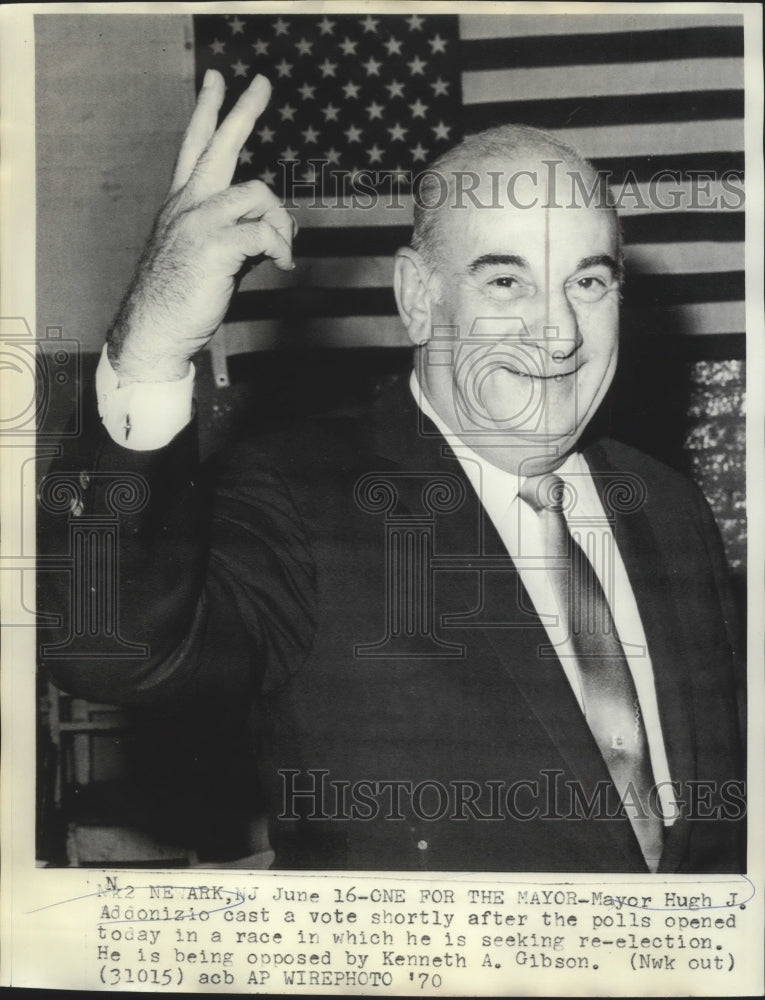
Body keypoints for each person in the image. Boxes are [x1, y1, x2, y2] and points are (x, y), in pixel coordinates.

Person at [38, 72, 745, 872]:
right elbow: (110, 650)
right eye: (506, 281)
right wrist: (155, 339)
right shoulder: (296, 496)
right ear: (417, 297)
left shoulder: (664, 504)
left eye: (587, 282)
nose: (557, 334)